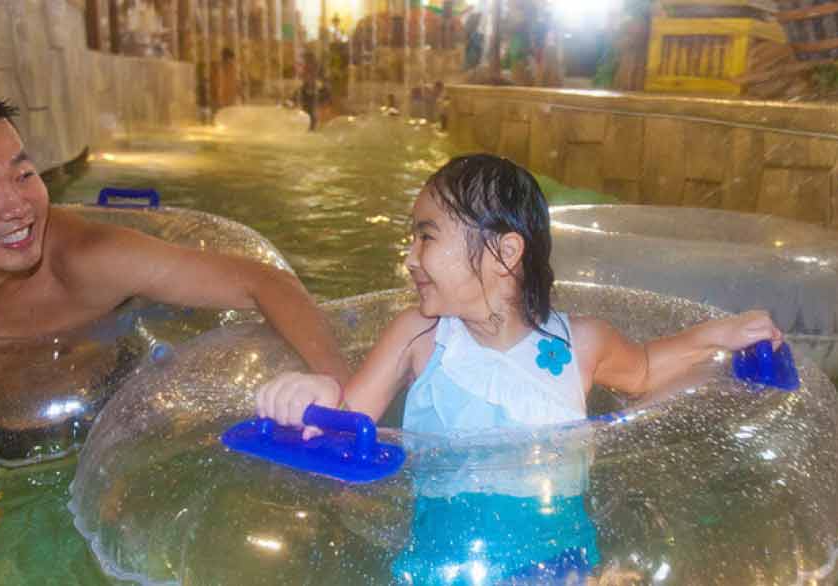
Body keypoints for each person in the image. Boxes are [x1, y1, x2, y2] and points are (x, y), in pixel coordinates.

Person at [255, 154, 782, 583]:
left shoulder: (582, 343)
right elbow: (347, 420)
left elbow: (644, 370)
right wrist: (317, 391)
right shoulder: (417, 334)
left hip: (558, 566)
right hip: (444, 567)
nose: (410, 259)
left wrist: (717, 335)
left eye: (426, 237)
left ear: (506, 253)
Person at [0, 85, 349, 385]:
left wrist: (346, 395)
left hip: (98, 396)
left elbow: (265, 282)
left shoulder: (89, 260)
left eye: (25, 175)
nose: (18, 206)